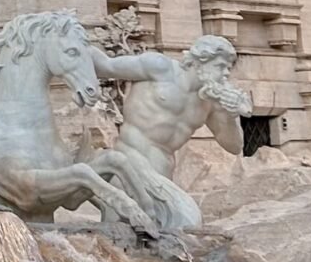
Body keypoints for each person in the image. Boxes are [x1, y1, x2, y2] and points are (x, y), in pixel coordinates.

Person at [88, 35, 248, 232]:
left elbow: (234, 146)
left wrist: (231, 115)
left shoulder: (211, 103)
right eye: (221, 66)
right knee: (122, 230)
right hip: (128, 162)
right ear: (200, 60)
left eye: (228, 69)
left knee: (165, 233)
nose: (225, 74)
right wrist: (69, 43)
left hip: (161, 174)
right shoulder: (160, 68)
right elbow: (105, 66)